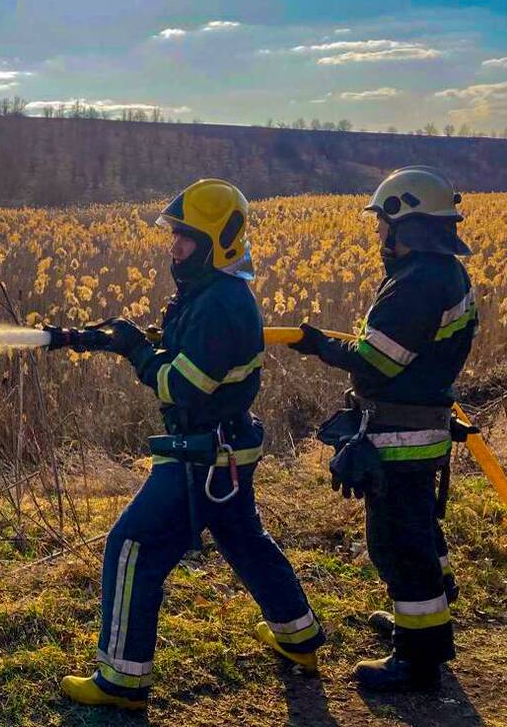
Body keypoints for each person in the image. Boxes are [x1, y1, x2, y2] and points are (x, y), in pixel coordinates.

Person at [47, 179, 325, 711]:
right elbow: (192, 352)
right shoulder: (215, 294)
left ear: (218, 241)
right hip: (226, 450)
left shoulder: (220, 303)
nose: (173, 246)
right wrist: (124, 339)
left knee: (132, 547)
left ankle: (122, 680)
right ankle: (300, 638)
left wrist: (137, 355)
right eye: (173, 235)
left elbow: (183, 384)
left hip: (203, 453)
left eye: (185, 237)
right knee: (244, 538)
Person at [289, 166, 476, 691]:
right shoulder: (445, 274)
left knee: (397, 544)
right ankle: (427, 618)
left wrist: (318, 343)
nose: (378, 237)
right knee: (420, 535)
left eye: (383, 226)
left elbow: (374, 363)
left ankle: (418, 660)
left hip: (400, 438)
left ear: (406, 223)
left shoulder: (417, 284)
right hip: (423, 430)